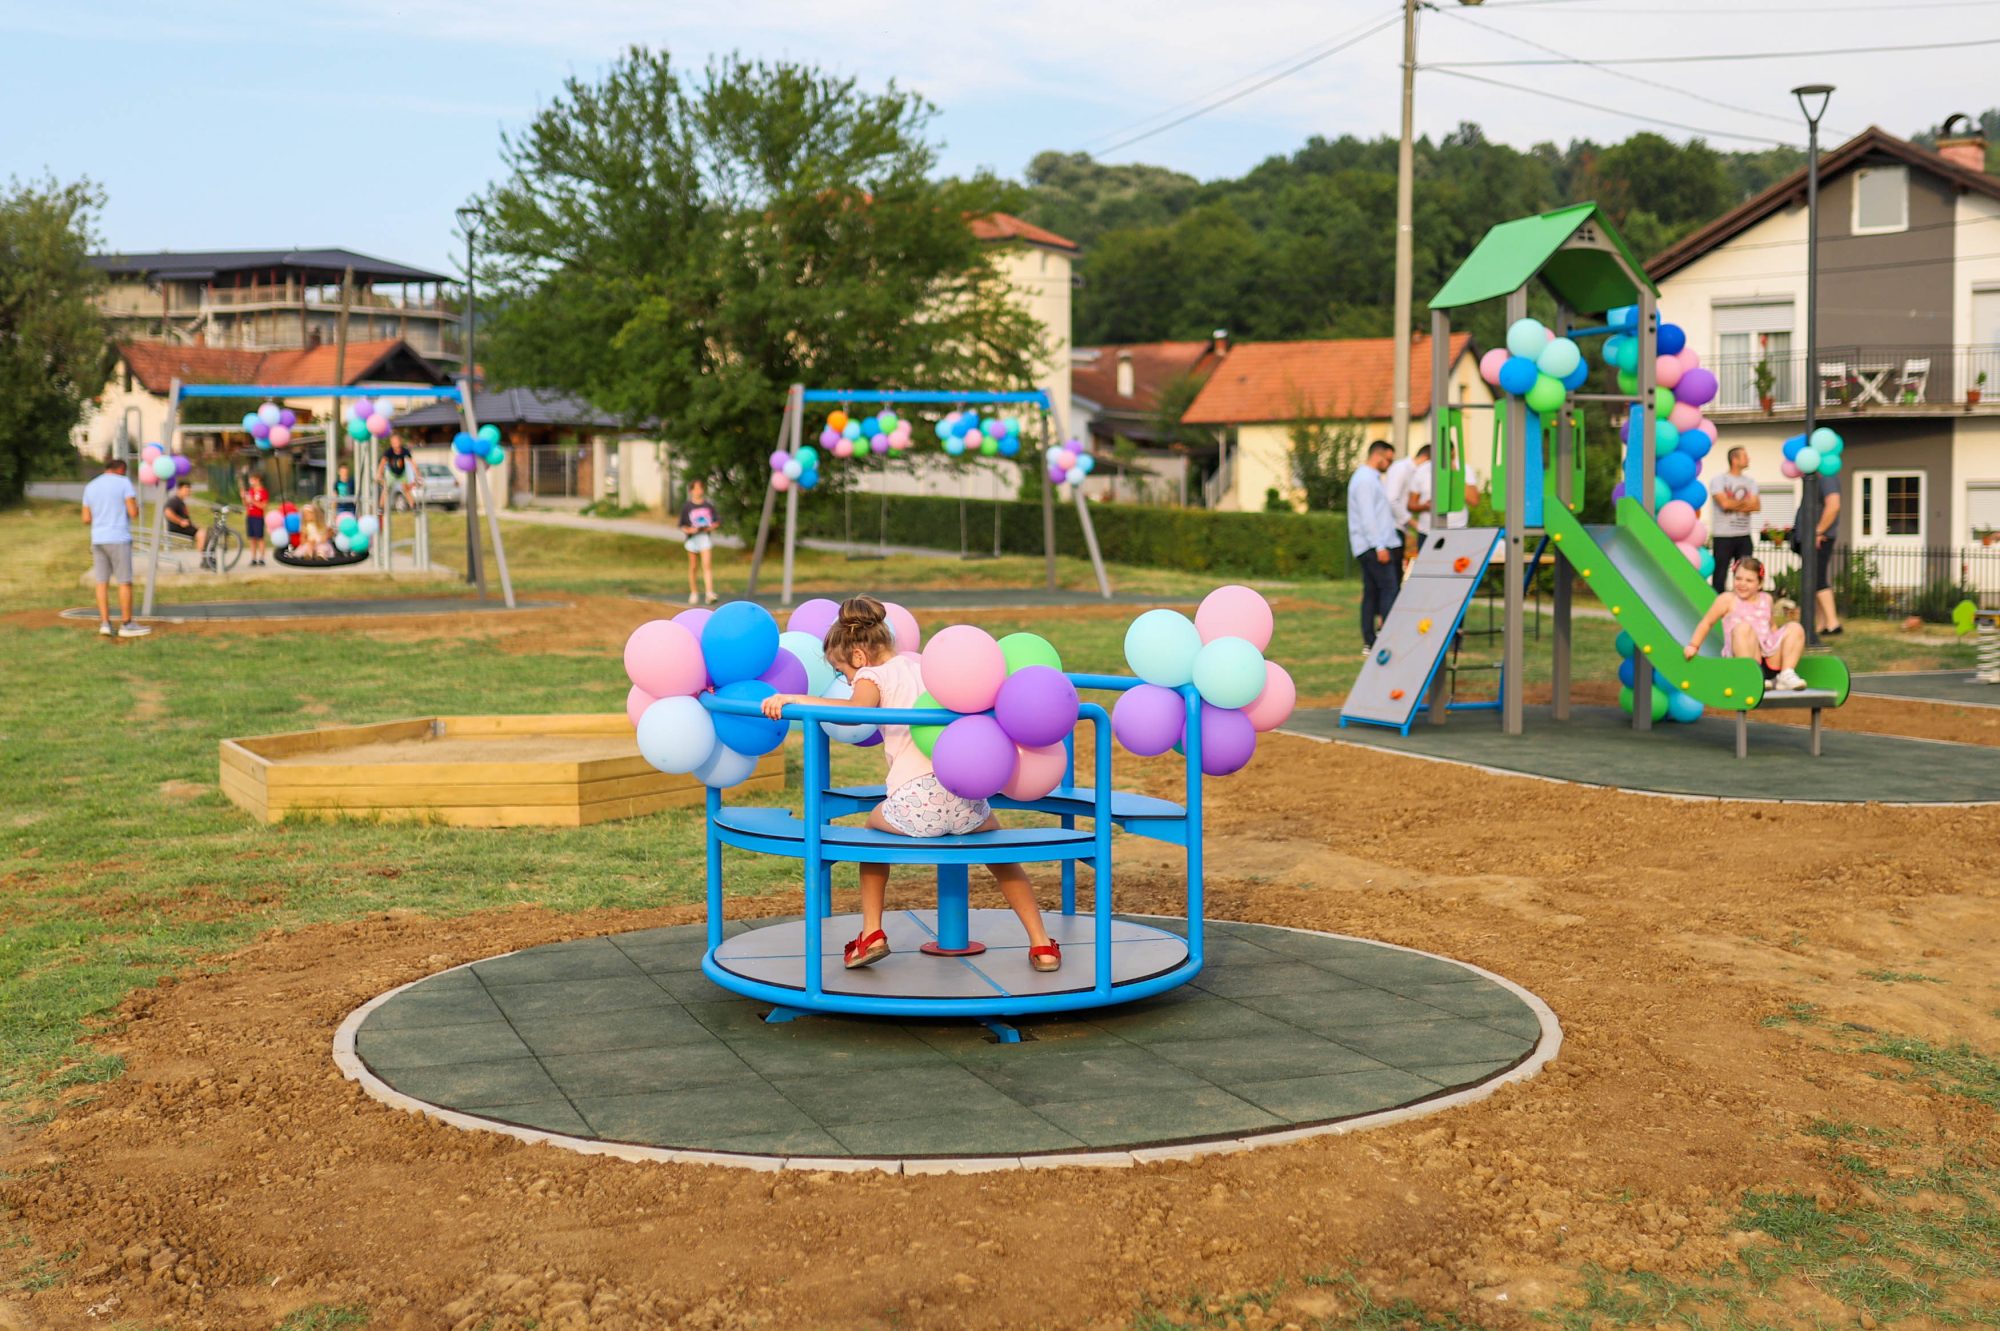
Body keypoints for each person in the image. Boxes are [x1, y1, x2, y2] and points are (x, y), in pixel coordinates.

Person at [759, 596, 1061, 974]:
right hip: (967, 797)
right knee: (1003, 860)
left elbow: (857, 712)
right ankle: (1041, 943)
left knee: (871, 835)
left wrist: (795, 699)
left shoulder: (873, 676)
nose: (847, 681)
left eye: (842, 672)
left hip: (915, 804)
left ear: (858, 657)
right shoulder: (926, 669)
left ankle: (871, 933)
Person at [1682, 556, 1807, 691]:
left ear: (1759, 584)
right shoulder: (1727, 600)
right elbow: (1707, 623)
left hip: (1769, 659)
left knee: (1795, 627)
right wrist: (1693, 645)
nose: (1742, 584)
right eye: (1738, 578)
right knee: (1743, 627)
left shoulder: (1767, 599)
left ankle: (1785, 675)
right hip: (1744, 658)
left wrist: (1782, 644)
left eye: (1749, 580)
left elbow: (1771, 625)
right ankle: (1750, 676)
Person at [80, 458, 150, 638]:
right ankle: (127, 623)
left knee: (101, 582)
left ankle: (105, 623)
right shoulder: (123, 482)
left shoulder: (91, 486)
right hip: (118, 538)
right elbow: (133, 512)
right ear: (121, 470)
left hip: (98, 539)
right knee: (124, 581)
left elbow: (86, 518)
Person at [1348, 440, 1401, 650]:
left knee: (1371, 592)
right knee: (1390, 588)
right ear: (1377, 455)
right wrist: (1379, 546)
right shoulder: (1364, 480)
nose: (1389, 464)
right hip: (1372, 546)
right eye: (1388, 459)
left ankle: (1370, 641)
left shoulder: (1373, 479)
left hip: (1373, 544)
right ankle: (1386, 637)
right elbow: (1367, 516)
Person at [1708, 446, 1759, 594]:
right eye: (1745, 456)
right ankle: (1718, 606)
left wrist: (1733, 504)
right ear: (1734, 459)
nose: (1748, 459)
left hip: (1744, 536)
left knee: (1747, 572)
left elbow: (1756, 506)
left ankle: (1743, 607)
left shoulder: (1750, 482)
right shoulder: (1719, 480)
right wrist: (1745, 504)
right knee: (1720, 574)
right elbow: (1724, 504)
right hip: (1723, 536)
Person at [1803, 486, 1844, 635]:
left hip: (1820, 538)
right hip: (1816, 537)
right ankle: (1823, 624)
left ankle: (1833, 624)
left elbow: (1834, 505)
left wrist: (1818, 531)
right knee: (1814, 580)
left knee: (1817, 579)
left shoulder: (1827, 477)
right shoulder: (1816, 477)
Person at [678, 479, 720, 606]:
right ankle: (694, 592)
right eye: (695, 489)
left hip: (704, 538)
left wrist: (710, 527)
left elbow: (716, 521)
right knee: (693, 566)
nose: (698, 491)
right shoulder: (687, 506)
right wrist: (690, 530)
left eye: (700, 488)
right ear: (691, 491)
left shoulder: (708, 505)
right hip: (692, 540)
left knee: (707, 565)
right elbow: (682, 525)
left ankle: (709, 593)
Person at [1381, 444, 1416, 555]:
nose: (1389, 465)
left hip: (1397, 529)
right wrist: (1413, 522)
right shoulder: (1401, 468)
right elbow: (1392, 500)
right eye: (1388, 460)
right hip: (1393, 530)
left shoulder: (1405, 469)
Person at [163, 480, 209, 554]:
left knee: (206, 532)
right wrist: (180, 521)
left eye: (189, 490)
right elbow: (167, 512)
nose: (188, 492)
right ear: (179, 489)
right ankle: (204, 557)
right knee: (201, 533)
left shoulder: (181, 502)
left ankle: (206, 554)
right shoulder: (174, 501)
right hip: (178, 528)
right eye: (186, 490)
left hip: (184, 527)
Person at [377, 433, 418, 512]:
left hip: (401, 473)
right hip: (391, 473)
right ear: (391, 444)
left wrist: (417, 472)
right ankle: (380, 507)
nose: (396, 445)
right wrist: (380, 473)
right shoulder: (389, 452)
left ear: (400, 442)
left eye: (397, 442)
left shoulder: (404, 451)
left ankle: (413, 506)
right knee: (386, 489)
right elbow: (382, 462)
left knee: (406, 489)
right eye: (393, 443)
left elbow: (412, 462)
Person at [241, 470, 270, 567]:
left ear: (258, 480)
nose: (251, 481)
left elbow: (263, 506)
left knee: (260, 538)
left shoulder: (263, 492)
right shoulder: (250, 491)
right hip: (250, 517)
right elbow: (246, 505)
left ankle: (261, 558)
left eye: (252, 479)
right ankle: (253, 558)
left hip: (258, 517)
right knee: (252, 539)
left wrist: (252, 501)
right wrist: (243, 498)